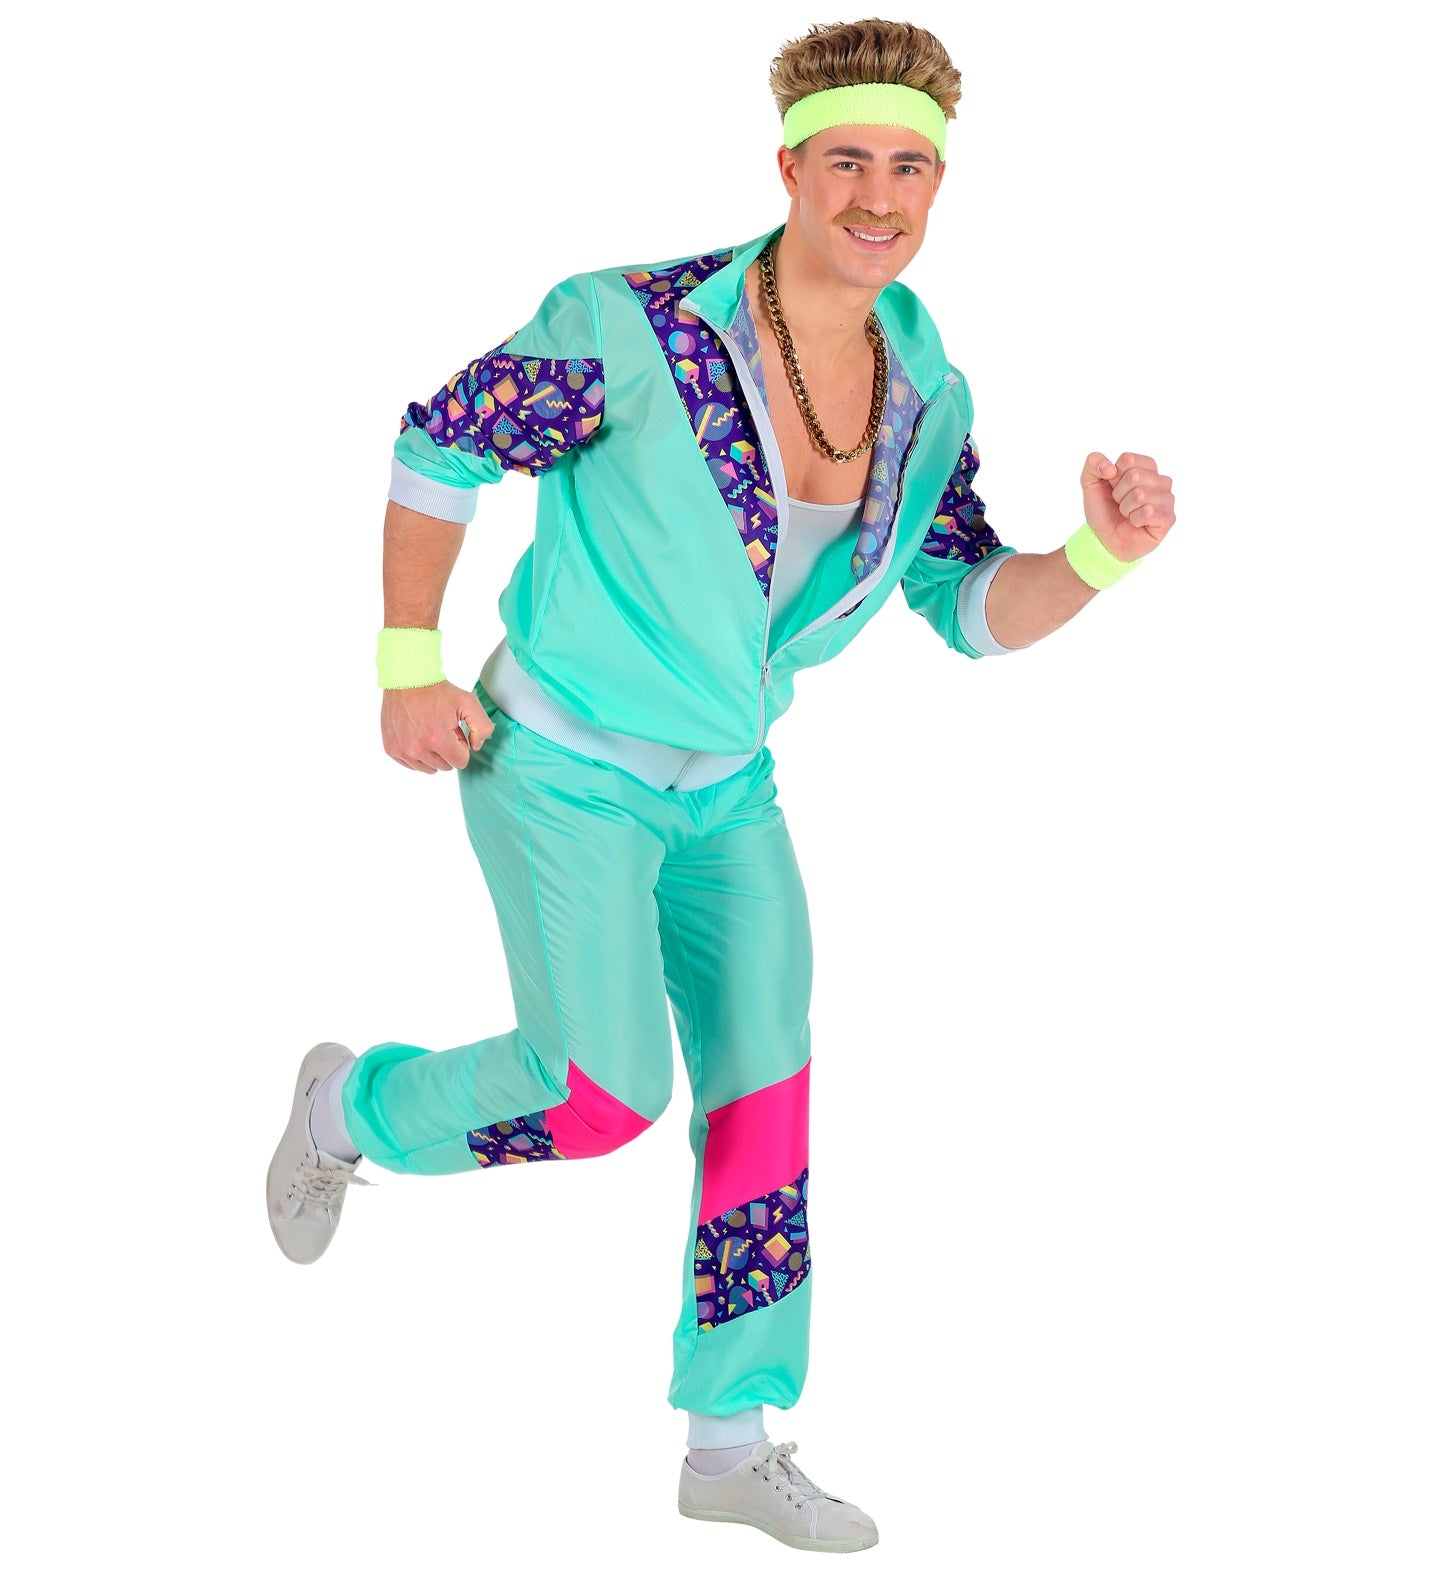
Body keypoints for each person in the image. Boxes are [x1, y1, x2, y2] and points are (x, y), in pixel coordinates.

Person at [266, 17, 1176, 1555]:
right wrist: (405, 661)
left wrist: (1099, 554)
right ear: (789, 168)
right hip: (556, 766)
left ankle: (729, 1443)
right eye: (847, 162)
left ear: (937, 182)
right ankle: (351, 1109)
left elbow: (967, 610)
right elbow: (442, 444)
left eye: (908, 167)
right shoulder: (627, 322)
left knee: (765, 1089)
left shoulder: (925, 384)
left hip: (728, 792)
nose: (876, 196)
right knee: (600, 1095)